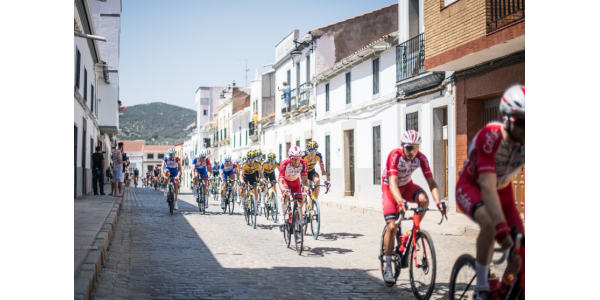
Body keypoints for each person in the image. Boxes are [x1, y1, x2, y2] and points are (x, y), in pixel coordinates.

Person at [455, 85, 525, 300]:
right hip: (473, 186)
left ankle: (504, 290)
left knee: (520, 251)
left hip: (503, 193)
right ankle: (482, 287)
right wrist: (502, 230)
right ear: (506, 118)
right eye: (522, 122)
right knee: (490, 223)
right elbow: (486, 185)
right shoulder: (491, 135)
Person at [381, 129, 446, 283]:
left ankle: (412, 233)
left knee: (423, 200)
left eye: (415, 147)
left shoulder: (421, 158)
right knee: (392, 226)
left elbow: (431, 182)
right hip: (391, 188)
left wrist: (439, 202)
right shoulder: (395, 155)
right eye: (409, 147)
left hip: (407, 185)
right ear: (402, 146)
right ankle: (388, 265)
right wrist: (399, 201)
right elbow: (392, 183)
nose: (412, 151)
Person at [278, 146, 309, 225]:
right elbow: (280, 181)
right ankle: (282, 214)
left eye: (298, 159)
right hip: (286, 182)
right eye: (294, 159)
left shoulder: (304, 163)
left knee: (299, 204)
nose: (296, 161)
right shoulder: (284, 164)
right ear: (290, 158)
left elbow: (305, 180)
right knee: (287, 194)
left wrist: (307, 190)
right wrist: (283, 190)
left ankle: (298, 225)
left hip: (296, 183)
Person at [301, 141, 331, 209]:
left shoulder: (318, 156)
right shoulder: (303, 156)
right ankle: (300, 209)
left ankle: (315, 202)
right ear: (307, 150)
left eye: (315, 150)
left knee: (317, 180)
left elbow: (323, 171)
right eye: (311, 150)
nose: (313, 153)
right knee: (304, 188)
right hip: (302, 172)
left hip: (311, 171)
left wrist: (326, 181)